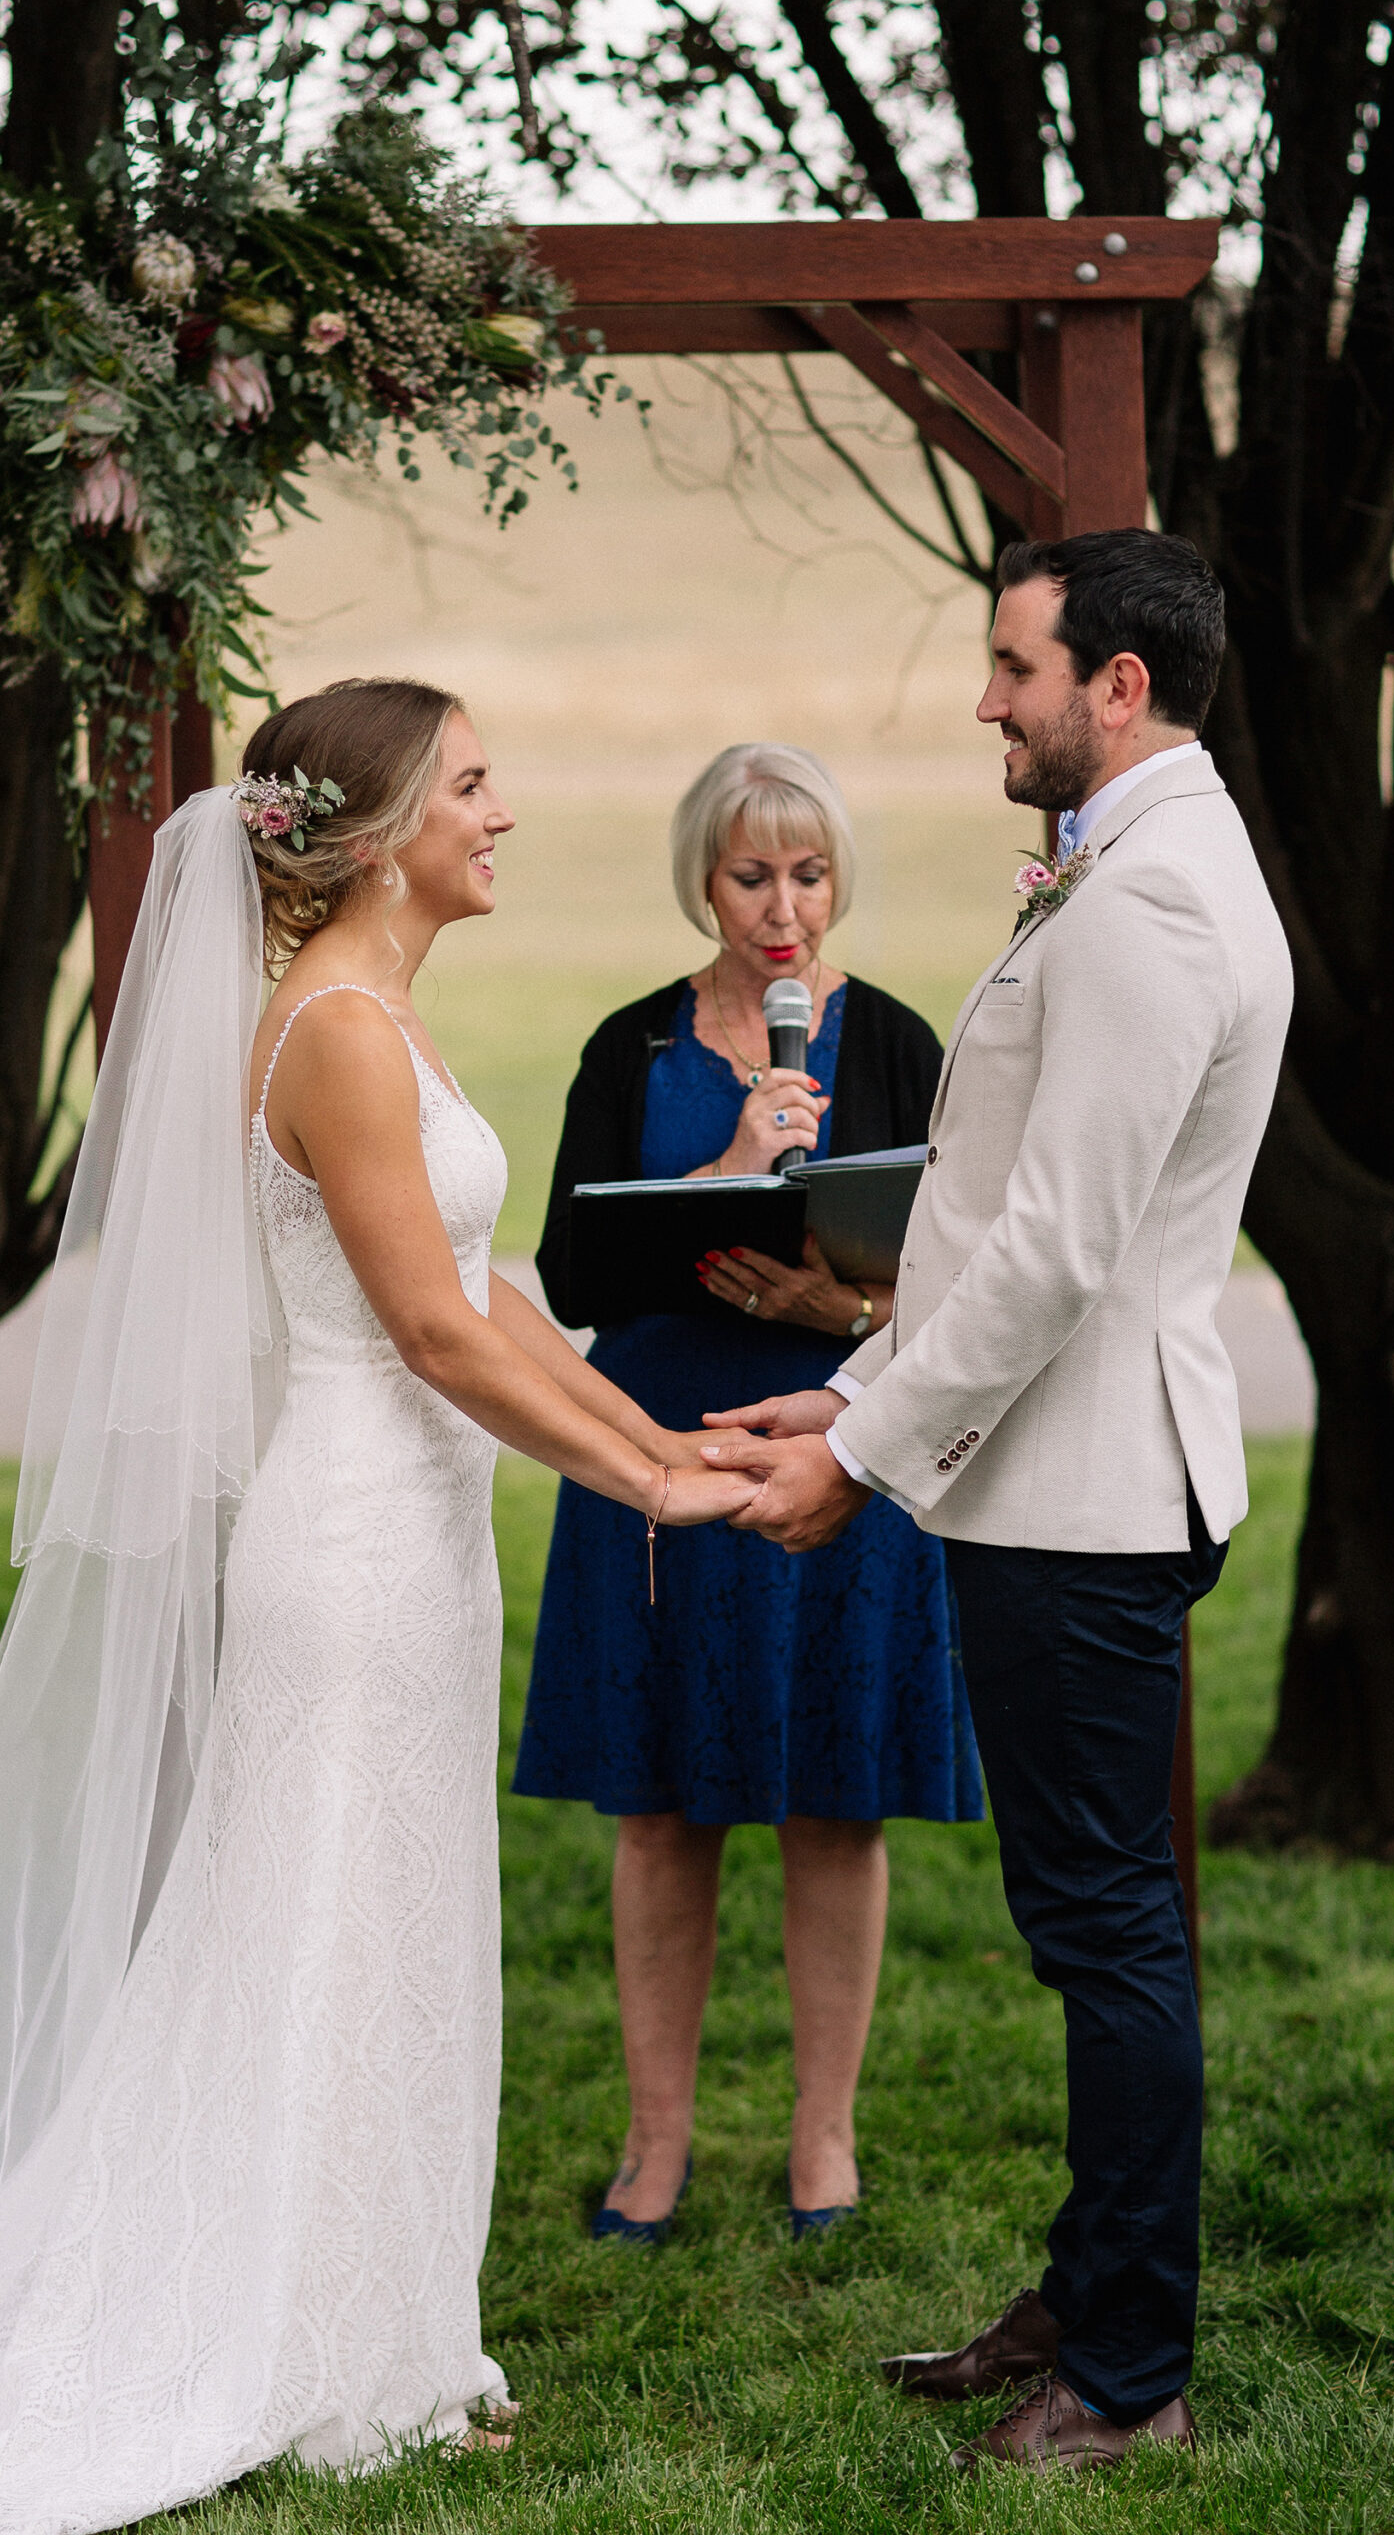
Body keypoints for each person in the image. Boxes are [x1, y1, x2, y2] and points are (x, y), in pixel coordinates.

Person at [0, 679, 758, 2532]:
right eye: (471, 784)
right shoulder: (344, 1039)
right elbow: (436, 1336)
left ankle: (386, 2329)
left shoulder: (388, 1021)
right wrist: (654, 1493)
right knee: (319, 1943)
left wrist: (675, 1451)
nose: (501, 813)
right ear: (374, 832)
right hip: (351, 1548)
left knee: (384, 1932)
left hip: (421, 1538)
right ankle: (300, 2342)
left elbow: (498, 1293)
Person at [702, 533, 1293, 2471]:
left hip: (1084, 1491)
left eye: (1010, 663)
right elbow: (997, 1217)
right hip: (1057, 1468)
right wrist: (857, 1376)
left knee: (1107, 1932)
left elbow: (1051, 1250)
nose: (984, 697)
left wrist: (853, 1463)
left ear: (1114, 683)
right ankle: (1089, 2283)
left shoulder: (1148, 907)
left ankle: (1126, 2372)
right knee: (1085, 1924)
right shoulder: (1131, 869)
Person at [517, 743, 981, 2245]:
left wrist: (831, 1310)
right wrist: (730, 1159)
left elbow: (966, 1271)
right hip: (657, 1453)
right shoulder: (630, 1046)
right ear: (701, 882)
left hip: (838, 1447)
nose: (785, 907)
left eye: (811, 872)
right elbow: (575, 1274)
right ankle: (655, 2149)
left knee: (837, 1806)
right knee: (658, 1813)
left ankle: (823, 2142)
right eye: (751, 873)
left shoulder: (903, 1042)